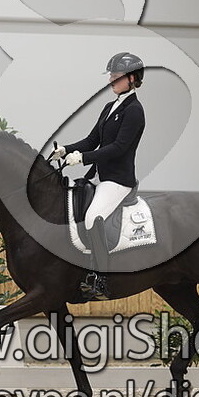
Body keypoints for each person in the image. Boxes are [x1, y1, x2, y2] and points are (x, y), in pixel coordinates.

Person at [51, 52, 146, 299]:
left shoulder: (134, 110)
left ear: (132, 78)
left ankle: (101, 278)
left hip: (118, 180)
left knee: (93, 217)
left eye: (116, 76)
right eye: (111, 75)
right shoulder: (109, 107)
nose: (111, 80)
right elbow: (92, 140)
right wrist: (66, 150)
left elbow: (119, 148)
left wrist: (82, 158)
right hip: (99, 176)